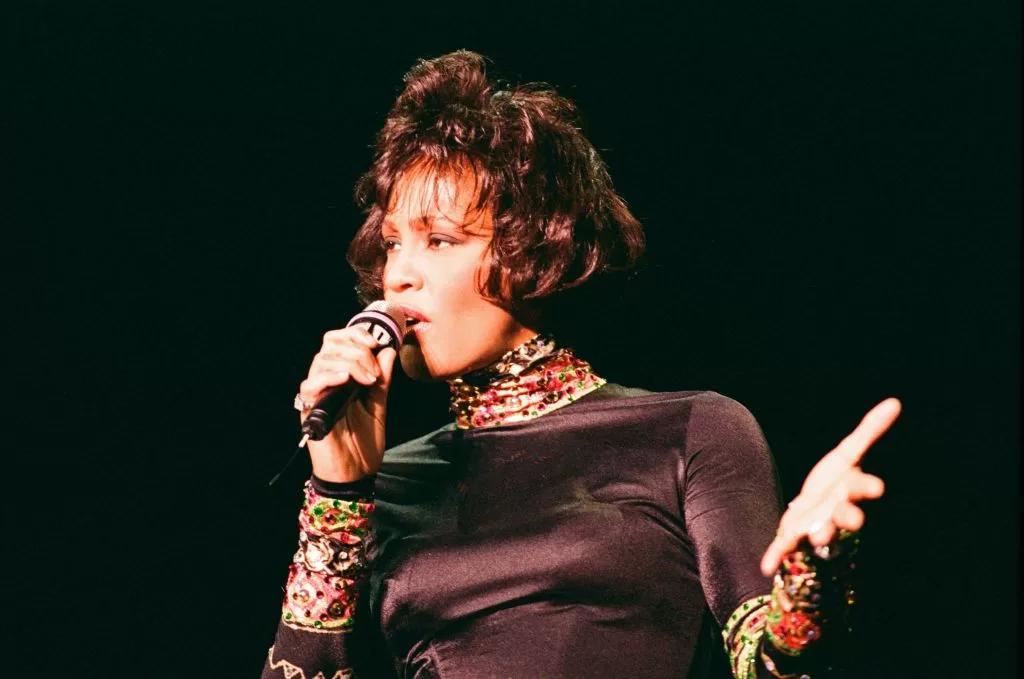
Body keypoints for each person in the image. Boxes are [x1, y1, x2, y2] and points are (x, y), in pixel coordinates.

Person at [261, 50, 900, 679]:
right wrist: (339, 497)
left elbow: (767, 663)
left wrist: (810, 577)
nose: (398, 274)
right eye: (394, 242)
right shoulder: (390, 484)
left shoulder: (691, 431)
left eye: (441, 240)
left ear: (533, 249)